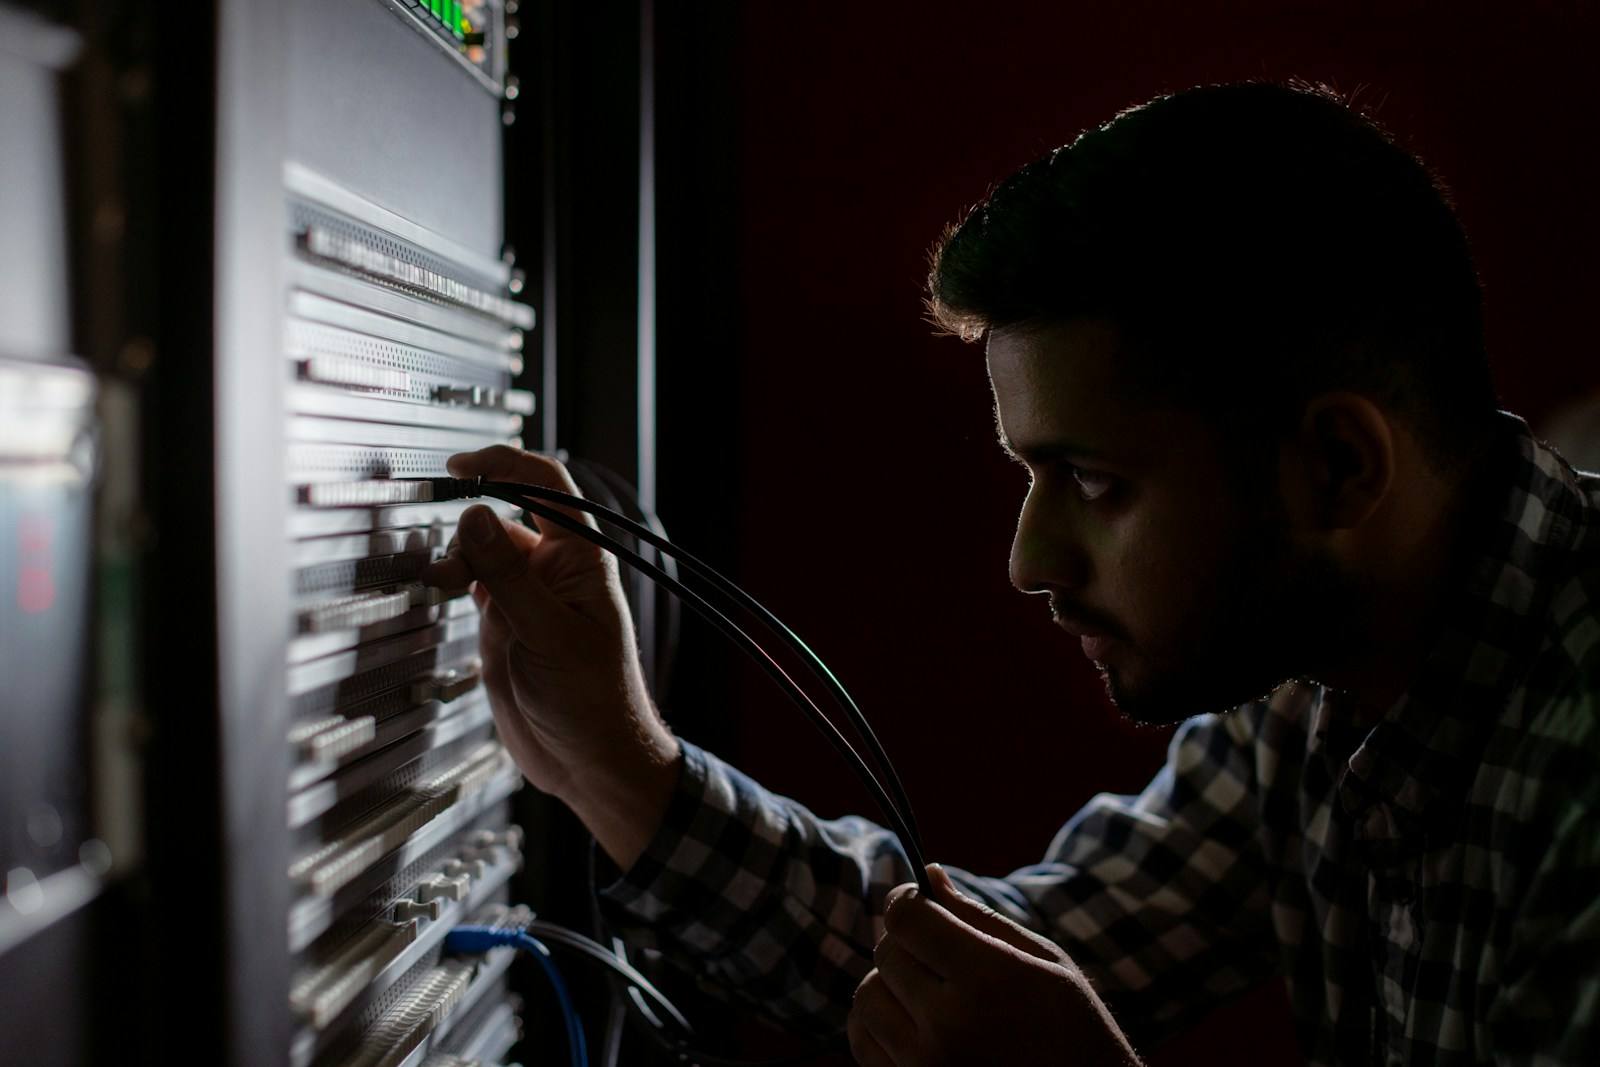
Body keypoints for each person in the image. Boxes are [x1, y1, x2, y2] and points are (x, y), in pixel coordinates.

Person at [423, 82, 1600, 1066]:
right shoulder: (1314, 687)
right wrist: (617, 760)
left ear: (1339, 465)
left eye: (1091, 481)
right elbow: (1002, 954)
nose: (1028, 561)